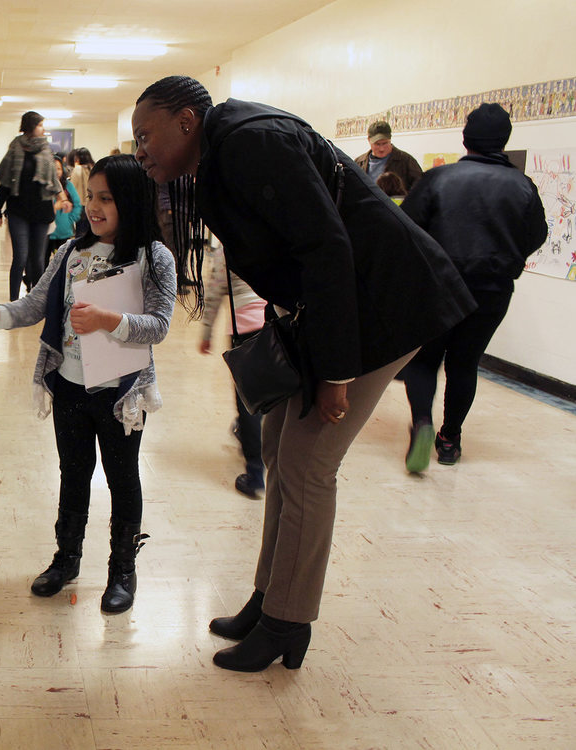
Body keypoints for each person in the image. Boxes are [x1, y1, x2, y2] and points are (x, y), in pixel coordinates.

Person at [131, 76, 475, 671]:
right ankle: (268, 598)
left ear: (186, 121)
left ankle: (288, 623)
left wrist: (335, 372)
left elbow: (326, 248)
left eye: (144, 134)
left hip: (386, 306)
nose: (139, 149)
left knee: (309, 462)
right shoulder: (224, 155)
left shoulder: (249, 143)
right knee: (275, 440)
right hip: (343, 308)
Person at [0, 155, 176, 614]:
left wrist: (108, 320)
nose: (92, 207)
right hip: (70, 387)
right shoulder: (70, 252)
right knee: (73, 475)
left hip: (120, 396)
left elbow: (158, 326)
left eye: (105, 199)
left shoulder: (153, 257)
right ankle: (66, 559)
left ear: (130, 201)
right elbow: (33, 307)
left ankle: (122, 571)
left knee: (122, 480)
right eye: (90, 196)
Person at [399, 103, 547, 472]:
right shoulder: (523, 187)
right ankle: (449, 440)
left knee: (425, 360)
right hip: (492, 290)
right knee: (465, 364)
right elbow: (537, 235)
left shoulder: (439, 179)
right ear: (504, 141)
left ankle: (422, 423)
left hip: (439, 285)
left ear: (466, 138)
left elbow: (406, 227)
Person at [198, 237, 267, 498]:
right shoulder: (271, 234)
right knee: (270, 389)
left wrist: (206, 333)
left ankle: (255, 473)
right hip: (276, 323)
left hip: (245, 329)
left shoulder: (229, 246)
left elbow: (215, 291)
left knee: (247, 400)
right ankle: (246, 430)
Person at [0, 111, 63, 300]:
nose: (43, 129)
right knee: (20, 257)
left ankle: (37, 301)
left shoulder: (46, 150)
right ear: (30, 126)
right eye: (40, 125)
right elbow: (5, 183)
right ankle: (14, 301)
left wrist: (63, 197)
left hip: (41, 211)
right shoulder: (15, 149)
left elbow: (53, 180)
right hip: (18, 211)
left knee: (38, 259)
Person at [354, 120, 423, 191]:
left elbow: (420, 187)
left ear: (390, 139)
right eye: (377, 144)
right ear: (369, 140)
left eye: (385, 143)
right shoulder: (358, 163)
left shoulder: (406, 161)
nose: (381, 149)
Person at [45, 154, 83, 261]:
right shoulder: (43, 186)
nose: (56, 172)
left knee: (62, 262)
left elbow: (77, 204)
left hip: (64, 232)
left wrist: (70, 220)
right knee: (42, 263)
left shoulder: (68, 185)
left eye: (58, 168)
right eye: (53, 168)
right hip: (46, 232)